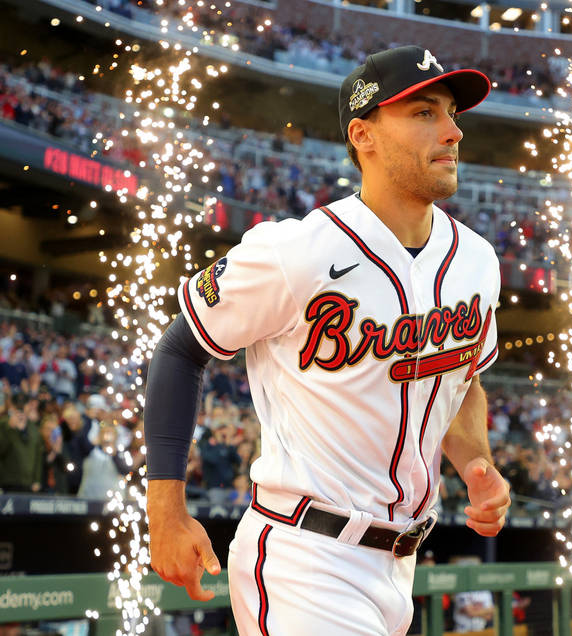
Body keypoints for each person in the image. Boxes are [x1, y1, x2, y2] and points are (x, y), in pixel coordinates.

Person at [144, 45, 510, 635]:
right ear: (363, 135)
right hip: (303, 556)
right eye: (423, 113)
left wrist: (475, 463)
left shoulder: (477, 260)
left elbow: (461, 380)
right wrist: (165, 509)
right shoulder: (297, 251)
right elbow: (180, 349)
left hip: (401, 566)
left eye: (451, 113)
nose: (452, 131)